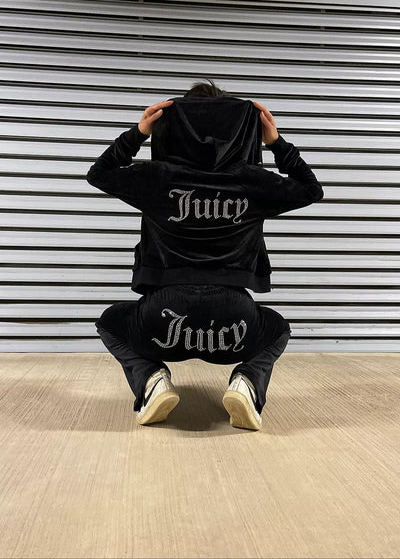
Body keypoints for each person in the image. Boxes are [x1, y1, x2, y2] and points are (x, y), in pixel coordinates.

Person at [87, 80, 324, 430]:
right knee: (277, 329)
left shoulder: (157, 177)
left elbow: (99, 174)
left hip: (162, 321)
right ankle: (247, 382)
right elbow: (311, 189)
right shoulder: (252, 180)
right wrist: (276, 144)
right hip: (233, 324)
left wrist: (138, 134)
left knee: (111, 322)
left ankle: (151, 380)